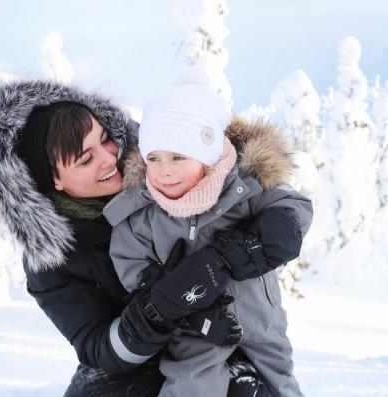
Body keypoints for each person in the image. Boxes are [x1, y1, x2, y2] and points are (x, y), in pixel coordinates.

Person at [0, 79, 284, 396]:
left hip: (220, 339)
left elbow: (232, 167)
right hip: (135, 366)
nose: (108, 158)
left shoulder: (158, 164)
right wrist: (160, 307)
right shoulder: (53, 262)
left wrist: (276, 224)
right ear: (54, 181)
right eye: (86, 159)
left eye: (105, 139)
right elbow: (98, 347)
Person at [104, 82, 313, 396]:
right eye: (155, 158)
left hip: (261, 318)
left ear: (206, 156)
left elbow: (292, 207)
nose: (164, 171)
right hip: (197, 326)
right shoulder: (144, 210)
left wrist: (266, 236)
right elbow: (130, 261)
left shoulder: (243, 187)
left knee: (280, 380)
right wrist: (175, 297)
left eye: (178, 157)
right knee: (191, 380)